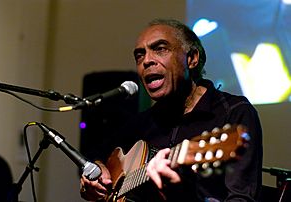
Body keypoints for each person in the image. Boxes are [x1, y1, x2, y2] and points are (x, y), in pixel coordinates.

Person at [80, 18, 263, 202]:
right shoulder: (140, 124)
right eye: (140, 55)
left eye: (160, 49)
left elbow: (241, 198)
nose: (147, 61)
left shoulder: (233, 112)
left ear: (192, 58)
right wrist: (97, 170)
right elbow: (98, 153)